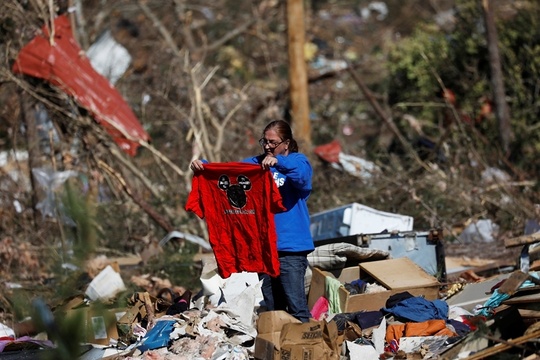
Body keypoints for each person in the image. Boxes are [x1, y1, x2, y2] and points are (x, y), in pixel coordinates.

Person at [190, 119, 314, 322]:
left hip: (290, 248)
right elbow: (227, 171)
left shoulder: (298, 161)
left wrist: (278, 162)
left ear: (287, 143)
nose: (267, 146)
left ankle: (305, 348)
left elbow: (302, 176)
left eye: (272, 142)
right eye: (264, 141)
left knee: (297, 308)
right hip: (264, 250)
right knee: (274, 310)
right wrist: (204, 166)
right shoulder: (254, 165)